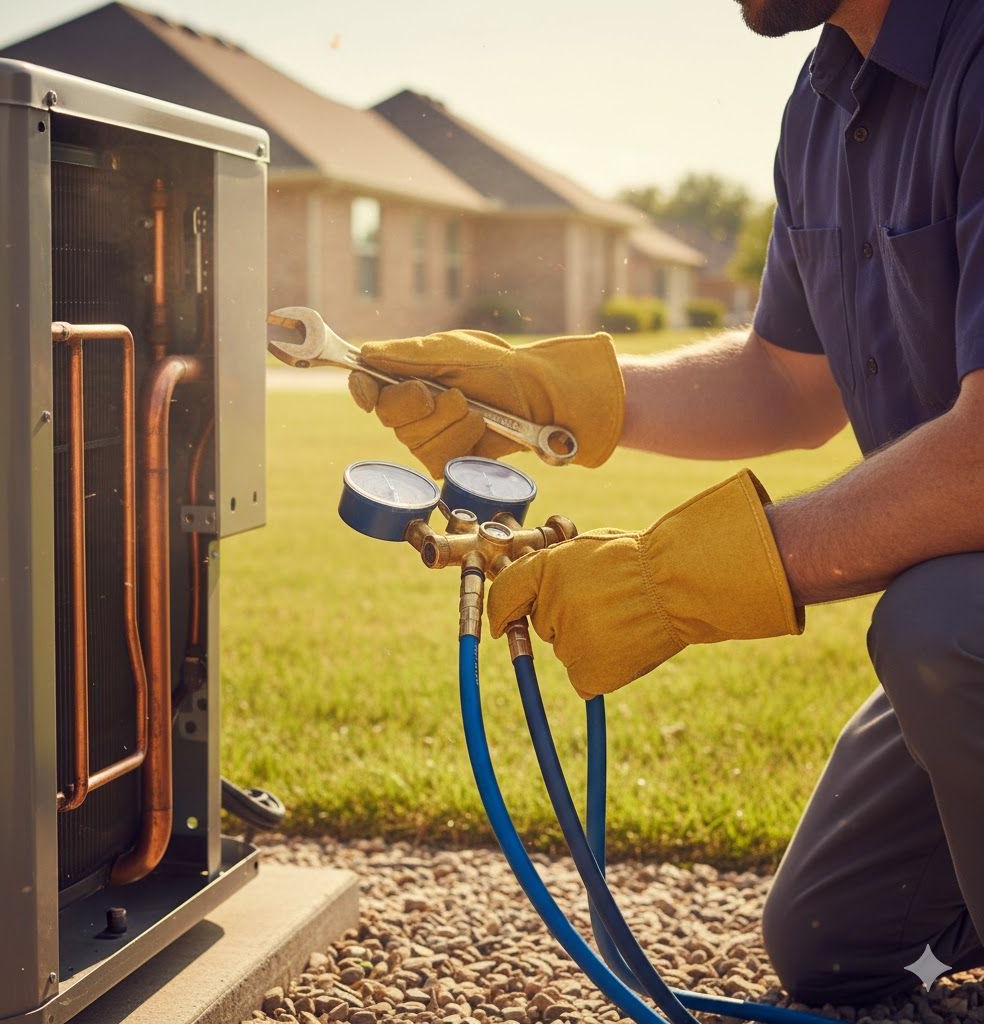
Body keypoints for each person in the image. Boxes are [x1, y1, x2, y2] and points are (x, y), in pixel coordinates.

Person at [348, 0, 984, 1006]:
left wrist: (669, 583)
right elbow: (788, 381)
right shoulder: (826, 106)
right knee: (833, 934)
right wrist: (549, 393)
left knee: (941, 624)